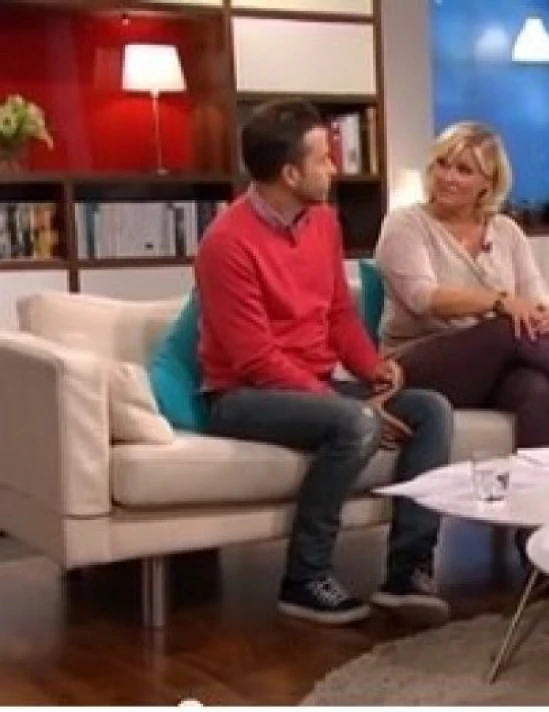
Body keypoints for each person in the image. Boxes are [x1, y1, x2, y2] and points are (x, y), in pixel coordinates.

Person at [195, 99, 455, 626]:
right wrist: (352, 407)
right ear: (290, 174)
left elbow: (337, 313)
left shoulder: (323, 222)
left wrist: (373, 369)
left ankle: (407, 571)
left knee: (432, 409)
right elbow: (256, 359)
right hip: (241, 396)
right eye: (323, 158)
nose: (334, 168)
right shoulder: (226, 243)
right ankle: (304, 579)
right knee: (356, 422)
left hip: (313, 385)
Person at [373, 121, 549, 449]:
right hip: (415, 364)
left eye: (464, 170)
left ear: (488, 183)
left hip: (487, 368)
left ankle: (542, 480)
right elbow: (422, 298)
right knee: (508, 326)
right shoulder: (405, 224)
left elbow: (534, 299)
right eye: (442, 164)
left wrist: (544, 317)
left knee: (536, 386)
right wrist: (500, 301)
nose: (448, 177)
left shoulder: (506, 231)